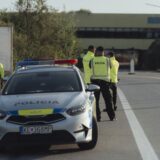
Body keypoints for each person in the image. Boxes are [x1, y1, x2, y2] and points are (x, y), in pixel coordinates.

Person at [90, 46, 116, 121]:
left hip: (95, 83)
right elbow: (110, 67)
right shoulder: (108, 60)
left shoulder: (92, 60)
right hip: (105, 83)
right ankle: (112, 117)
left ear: (97, 52)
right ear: (103, 52)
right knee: (108, 100)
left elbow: (90, 67)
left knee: (96, 101)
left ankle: (98, 118)